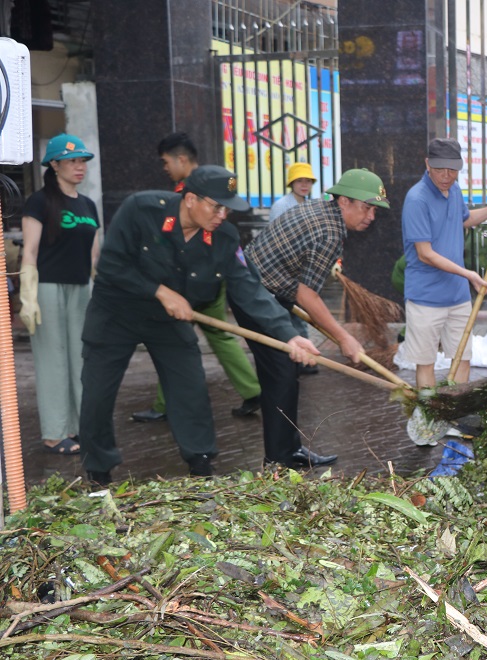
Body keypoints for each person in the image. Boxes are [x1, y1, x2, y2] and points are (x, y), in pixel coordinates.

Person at [78, 166, 320, 486]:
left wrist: (289, 335)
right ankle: (98, 471)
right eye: (216, 206)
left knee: (190, 388)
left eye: (227, 208)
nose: (222, 215)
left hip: (170, 321)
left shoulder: (224, 238)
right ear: (190, 199)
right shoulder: (142, 210)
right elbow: (110, 265)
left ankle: (201, 464)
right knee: (97, 394)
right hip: (116, 313)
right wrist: (160, 291)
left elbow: (249, 290)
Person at [235, 168, 389, 467]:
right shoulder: (329, 231)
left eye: (375, 210)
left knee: (286, 372)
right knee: (281, 373)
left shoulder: (322, 211)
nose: (371, 216)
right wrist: (344, 337)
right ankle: (280, 458)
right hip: (256, 293)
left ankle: (287, 449)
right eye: (367, 207)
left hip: (270, 290)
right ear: (344, 201)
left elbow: (301, 289)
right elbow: (308, 296)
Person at [132, 132, 262, 422]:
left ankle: (166, 405)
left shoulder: (191, 194)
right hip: (209, 277)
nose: (165, 167)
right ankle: (252, 390)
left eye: (166, 161)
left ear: (181, 159)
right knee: (216, 334)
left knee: (173, 335)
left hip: (194, 279)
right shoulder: (213, 186)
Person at [401, 138, 487, 389]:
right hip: (425, 298)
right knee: (426, 363)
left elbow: (465, 219)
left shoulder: (453, 190)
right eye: (440, 168)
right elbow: (425, 254)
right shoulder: (416, 199)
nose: (446, 176)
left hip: (457, 296)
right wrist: (468, 274)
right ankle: (429, 419)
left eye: (453, 170)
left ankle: (455, 415)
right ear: (427, 164)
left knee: (463, 359)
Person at [19, 134, 100, 455]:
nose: (80, 167)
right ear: (54, 165)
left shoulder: (88, 204)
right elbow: (30, 252)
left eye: (83, 161)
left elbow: (94, 256)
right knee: (52, 360)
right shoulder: (39, 202)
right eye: (72, 161)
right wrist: (28, 296)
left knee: (81, 360)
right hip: (48, 288)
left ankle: (81, 428)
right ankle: (54, 433)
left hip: (81, 288)